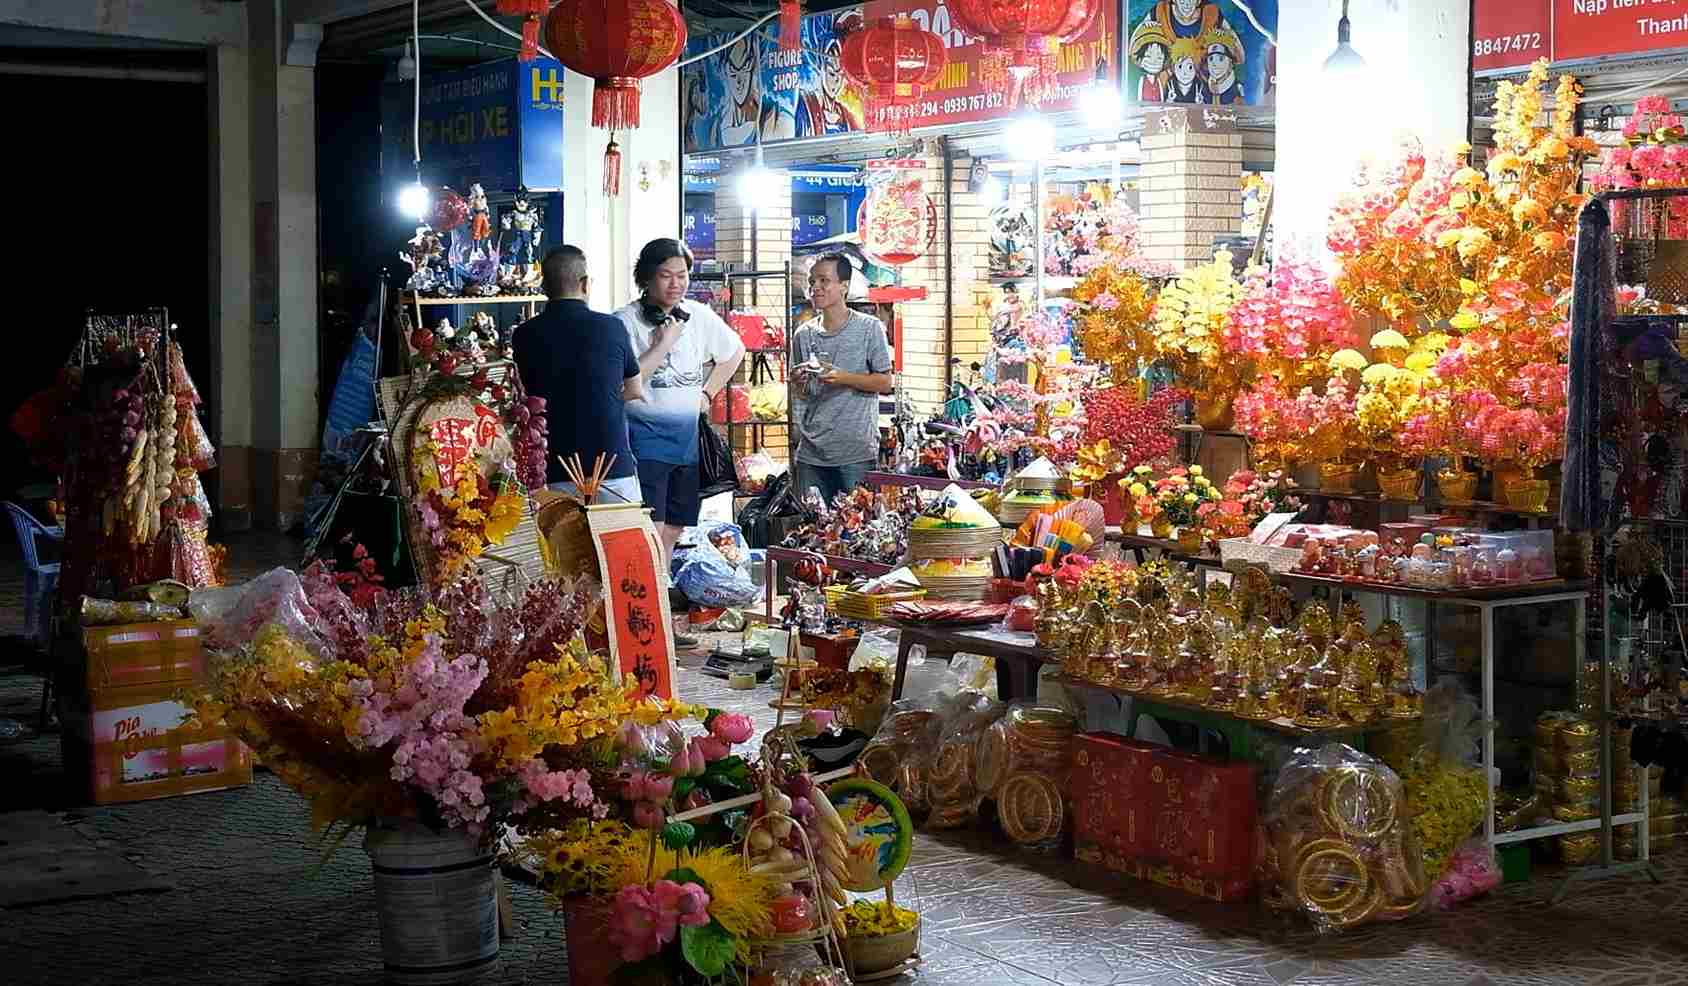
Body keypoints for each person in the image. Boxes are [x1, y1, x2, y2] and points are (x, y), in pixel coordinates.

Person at [616, 238, 746, 566]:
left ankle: (660, 587)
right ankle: (649, 597)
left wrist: (707, 393)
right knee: (649, 527)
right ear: (646, 277)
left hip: (686, 447)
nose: (676, 283)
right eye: (665, 275)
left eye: (683, 274)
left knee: (674, 526)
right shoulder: (624, 322)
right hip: (642, 446)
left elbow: (734, 352)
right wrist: (662, 344)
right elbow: (623, 385)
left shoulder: (698, 316)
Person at [511, 245, 643, 504]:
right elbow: (635, 389)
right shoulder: (612, 327)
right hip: (611, 463)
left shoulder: (524, 335)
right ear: (585, 284)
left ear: (544, 286)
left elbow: (522, 396)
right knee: (619, 543)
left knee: (562, 544)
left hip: (552, 467)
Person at [790, 253, 894, 505]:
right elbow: (804, 395)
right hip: (811, 453)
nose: (815, 287)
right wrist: (797, 382)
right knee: (810, 531)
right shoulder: (804, 334)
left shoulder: (869, 328)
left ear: (844, 287)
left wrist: (842, 377)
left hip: (854, 451)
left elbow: (885, 382)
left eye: (824, 281)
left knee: (856, 527)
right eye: (812, 281)